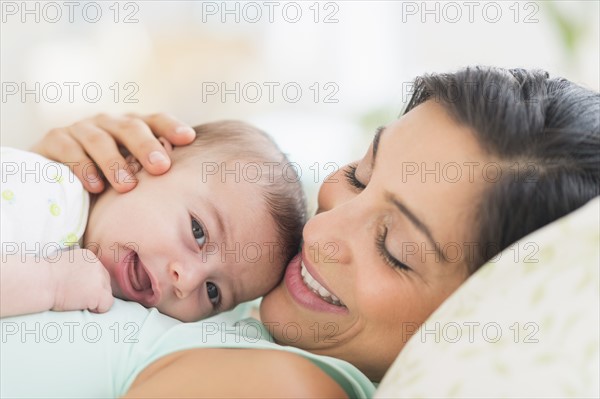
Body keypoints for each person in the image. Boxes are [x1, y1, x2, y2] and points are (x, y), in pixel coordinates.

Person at [1, 66, 598, 397]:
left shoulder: (287, 385)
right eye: (360, 176)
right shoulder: (252, 292)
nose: (321, 231)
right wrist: (47, 196)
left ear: (473, 311)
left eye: (394, 251)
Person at [0, 121, 306, 322]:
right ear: (141, 162)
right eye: (198, 232)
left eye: (213, 292)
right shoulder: (46, 195)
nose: (186, 281)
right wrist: (50, 283)